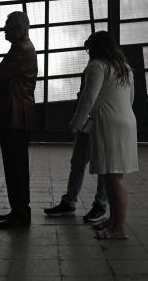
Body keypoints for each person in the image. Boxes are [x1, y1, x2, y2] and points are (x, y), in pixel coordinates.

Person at [69, 31, 138, 240]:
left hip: (108, 124)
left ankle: (119, 228)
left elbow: (88, 98)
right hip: (126, 121)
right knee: (113, 176)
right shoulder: (125, 68)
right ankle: (113, 221)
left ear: (95, 48)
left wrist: (76, 124)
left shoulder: (97, 66)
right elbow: (131, 98)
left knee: (114, 179)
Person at [0, 12, 37, 229]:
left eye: (8, 26)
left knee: (15, 167)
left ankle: (20, 213)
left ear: (19, 29)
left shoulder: (20, 50)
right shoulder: (23, 48)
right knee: (16, 167)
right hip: (16, 116)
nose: (4, 29)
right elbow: (0, 77)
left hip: (15, 116)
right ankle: (18, 210)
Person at [44, 71, 108, 222]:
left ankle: (95, 204)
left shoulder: (98, 67)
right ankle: (93, 203)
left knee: (96, 164)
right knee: (85, 163)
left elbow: (87, 96)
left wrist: (77, 120)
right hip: (93, 120)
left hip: (96, 120)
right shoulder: (101, 67)